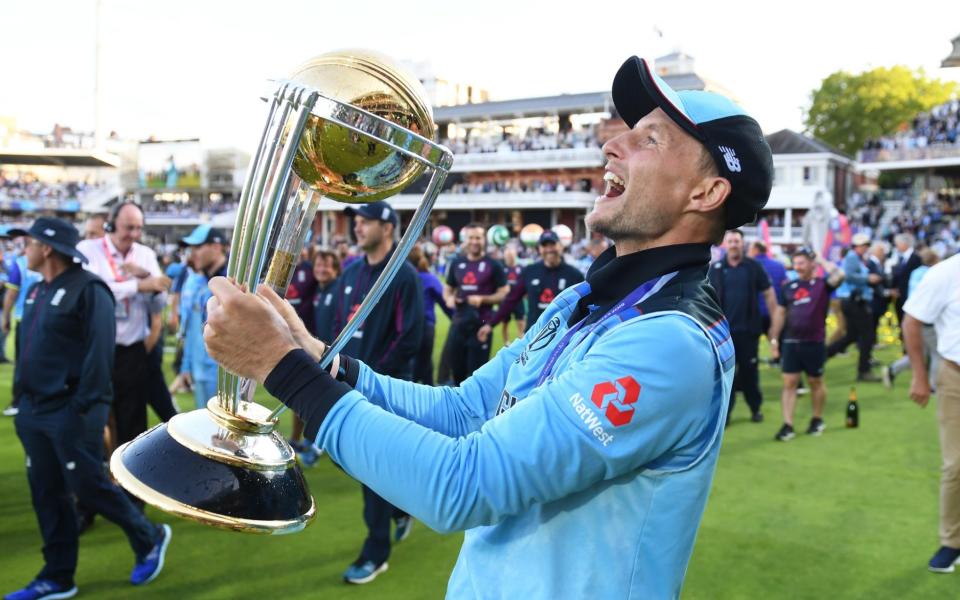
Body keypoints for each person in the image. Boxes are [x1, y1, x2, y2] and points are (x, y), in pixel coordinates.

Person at [202, 55, 772, 598]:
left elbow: (464, 485)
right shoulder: (582, 300)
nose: (612, 143)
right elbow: (464, 411)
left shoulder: (671, 343)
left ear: (707, 191)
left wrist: (285, 370)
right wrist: (323, 359)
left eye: (650, 139)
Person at [6, 218, 171, 600]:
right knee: (46, 492)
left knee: (88, 484)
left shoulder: (89, 289)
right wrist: (23, 402)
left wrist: (82, 409)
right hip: (34, 411)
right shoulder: (36, 291)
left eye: (27, 243)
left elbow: (100, 356)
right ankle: (57, 575)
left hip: (71, 409)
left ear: (46, 248)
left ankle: (149, 537)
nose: (22, 249)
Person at [329, 201, 424, 584]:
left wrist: (371, 377)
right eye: (356, 220)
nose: (358, 226)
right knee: (352, 461)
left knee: (371, 471)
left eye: (366, 220)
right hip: (346, 388)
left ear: (388, 228)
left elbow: (410, 337)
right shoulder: (350, 273)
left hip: (383, 389)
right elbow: (339, 331)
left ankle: (376, 551)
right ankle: (401, 508)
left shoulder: (403, 276)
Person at [77, 202, 172, 448]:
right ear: (111, 224)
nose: (134, 234)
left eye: (138, 228)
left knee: (132, 420)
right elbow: (91, 292)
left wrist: (151, 285)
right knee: (92, 416)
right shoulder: (88, 249)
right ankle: (96, 474)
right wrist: (138, 286)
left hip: (131, 350)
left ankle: (129, 480)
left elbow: (157, 302)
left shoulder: (145, 255)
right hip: (95, 349)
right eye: (129, 227)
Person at [902, 252, 960, 573]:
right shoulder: (945, 273)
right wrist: (919, 376)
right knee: (956, 464)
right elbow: (911, 320)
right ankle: (952, 542)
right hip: (955, 377)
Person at [768, 248, 844, 441]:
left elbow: (839, 274)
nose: (798, 267)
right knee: (789, 383)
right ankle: (788, 425)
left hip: (814, 342)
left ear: (812, 264)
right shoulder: (789, 287)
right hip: (791, 342)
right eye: (796, 263)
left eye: (802, 263)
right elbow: (780, 313)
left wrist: (821, 259)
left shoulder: (822, 285)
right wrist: (775, 338)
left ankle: (817, 419)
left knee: (815, 382)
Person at [708, 229, 777, 423]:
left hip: (748, 332)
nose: (733, 245)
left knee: (749, 373)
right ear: (725, 244)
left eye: (737, 241)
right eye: (730, 241)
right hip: (723, 334)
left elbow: (769, 293)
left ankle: (755, 408)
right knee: (725, 375)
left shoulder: (753, 267)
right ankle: (725, 415)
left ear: (742, 244)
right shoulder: (717, 268)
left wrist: (773, 322)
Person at [478, 230, 585, 345]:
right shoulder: (530, 271)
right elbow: (511, 299)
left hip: (562, 337)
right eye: (544, 246)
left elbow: (585, 305)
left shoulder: (574, 274)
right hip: (534, 335)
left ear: (560, 246)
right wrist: (490, 324)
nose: (549, 249)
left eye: (552, 244)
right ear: (539, 249)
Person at [442, 224, 509, 384]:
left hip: (481, 326)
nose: (474, 241)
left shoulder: (494, 265)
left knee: (476, 376)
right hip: (458, 324)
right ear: (465, 240)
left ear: (484, 240)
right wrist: (449, 299)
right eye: (471, 238)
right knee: (456, 372)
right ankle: (457, 408)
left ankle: (474, 409)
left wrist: (483, 299)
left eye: (478, 238)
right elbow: (448, 288)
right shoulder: (457, 263)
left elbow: (504, 292)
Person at [178, 225, 228, 410]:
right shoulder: (199, 282)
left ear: (216, 247)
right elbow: (192, 329)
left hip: (224, 374)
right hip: (201, 371)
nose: (193, 253)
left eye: (198, 247)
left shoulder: (233, 281)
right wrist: (186, 365)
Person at [826, 233, 883, 381]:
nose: (866, 248)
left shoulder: (855, 258)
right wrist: (868, 278)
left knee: (851, 336)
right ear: (858, 246)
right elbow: (848, 276)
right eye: (864, 246)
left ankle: (822, 356)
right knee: (867, 335)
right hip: (855, 301)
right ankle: (864, 370)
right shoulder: (852, 257)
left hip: (853, 300)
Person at [2, 232, 43, 417]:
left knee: (23, 363)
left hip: (24, 319)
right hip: (47, 318)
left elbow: (11, 294)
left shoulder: (20, 263)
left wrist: (6, 318)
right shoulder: (49, 261)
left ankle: (20, 401)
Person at [408, 244, 452, 386]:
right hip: (425, 327)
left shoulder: (402, 277)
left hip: (406, 328)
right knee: (422, 365)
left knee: (421, 365)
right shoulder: (429, 278)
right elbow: (445, 301)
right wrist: (457, 318)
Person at [499, 246, 526, 343]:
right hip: (505, 301)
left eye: (511, 255)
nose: (509, 257)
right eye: (507, 255)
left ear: (515, 255)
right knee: (505, 323)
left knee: (521, 322)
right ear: (505, 256)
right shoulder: (501, 269)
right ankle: (506, 343)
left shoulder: (521, 269)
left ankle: (521, 342)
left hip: (518, 300)